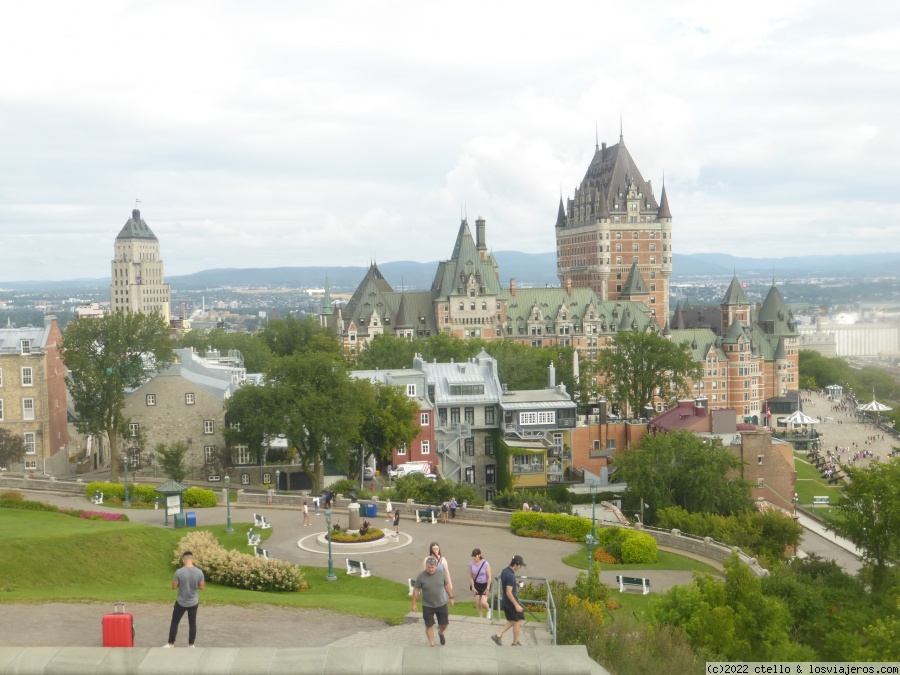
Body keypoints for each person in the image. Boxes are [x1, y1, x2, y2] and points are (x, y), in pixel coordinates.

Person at [165, 551, 206, 648]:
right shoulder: (199, 572)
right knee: (192, 623)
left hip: (181, 601)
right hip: (193, 602)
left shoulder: (179, 572)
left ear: (184, 560)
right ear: (192, 559)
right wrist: (193, 585)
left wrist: (181, 584)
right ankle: (191, 644)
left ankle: (171, 643)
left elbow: (174, 587)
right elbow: (202, 587)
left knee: (175, 622)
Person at [411, 556, 455, 646]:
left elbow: (446, 585)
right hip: (427, 605)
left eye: (432, 567)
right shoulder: (421, 576)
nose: (430, 569)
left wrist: (451, 597)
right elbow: (416, 590)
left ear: (436, 566)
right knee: (429, 625)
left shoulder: (441, 573)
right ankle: (432, 643)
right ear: (426, 566)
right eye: (428, 567)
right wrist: (414, 604)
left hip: (441, 603)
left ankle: (441, 632)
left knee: (444, 624)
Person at [491, 555, 526, 647]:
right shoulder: (510, 575)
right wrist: (516, 605)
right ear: (516, 565)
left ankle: (499, 636)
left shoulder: (505, 571)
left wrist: (516, 585)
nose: (520, 567)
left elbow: (507, 585)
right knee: (517, 620)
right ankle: (514, 643)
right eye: (520, 565)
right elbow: (508, 592)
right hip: (511, 602)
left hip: (506, 601)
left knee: (514, 620)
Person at [468, 548, 492, 619]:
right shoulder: (471, 564)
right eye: (473, 556)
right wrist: (473, 587)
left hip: (485, 584)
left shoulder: (485, 563)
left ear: (479, 555)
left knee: (483, 602)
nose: (474, 558)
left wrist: (487, 588)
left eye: (475, 556)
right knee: (478, 602)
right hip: (477, 584)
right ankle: (480, 617)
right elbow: (471, 577)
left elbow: (489, 577)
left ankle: (489, 610)